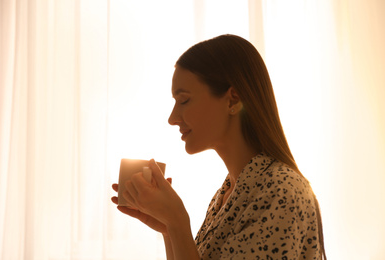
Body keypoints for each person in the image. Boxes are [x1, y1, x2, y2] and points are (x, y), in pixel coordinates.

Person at [111, 34, 326, 260]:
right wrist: (168, 230)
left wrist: (177, 223)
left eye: (183, 100)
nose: (172, 118)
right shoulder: (225, 196)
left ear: (232, 100)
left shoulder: (282, 190)